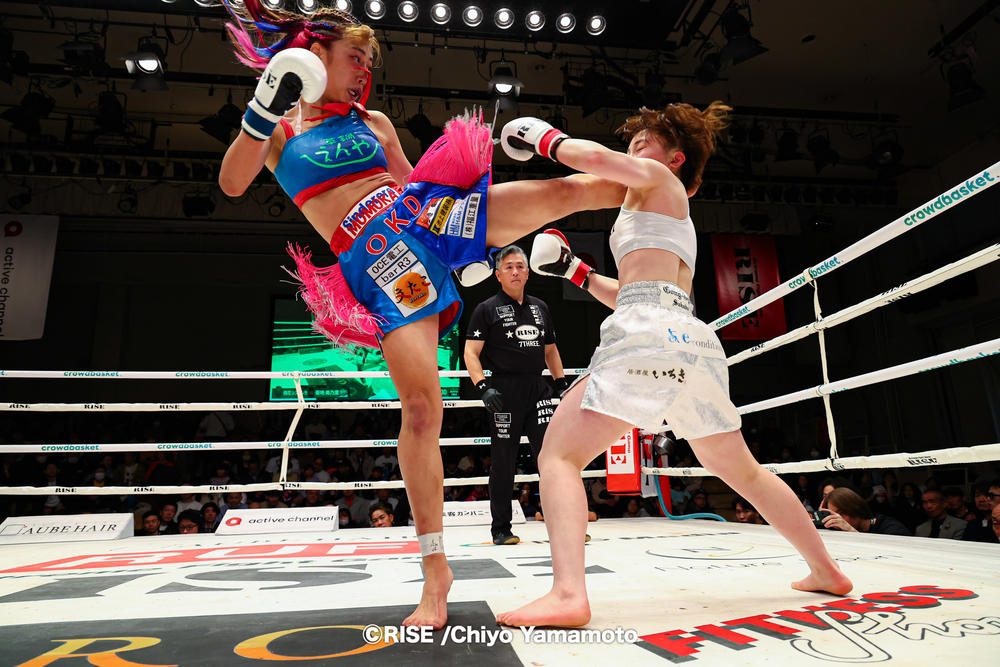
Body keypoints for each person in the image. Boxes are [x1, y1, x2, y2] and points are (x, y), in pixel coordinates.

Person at [217, 0, 623, 629]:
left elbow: (415, 183)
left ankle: (660, 184)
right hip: (376, 259)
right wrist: (265, 104)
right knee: (422, 411)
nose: (363, 71)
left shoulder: (373, 121)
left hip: (421, 216)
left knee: (564, 193)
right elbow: (231, 183)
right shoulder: (276, 130)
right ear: (314, 52)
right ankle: (437, 573)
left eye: (368, 62)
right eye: (355, 57)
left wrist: (464, 244)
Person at [494, 103, 851, 628]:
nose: (638, 143)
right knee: (743, 471)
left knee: (559, 456)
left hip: (648, 335)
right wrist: (575, 271)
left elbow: (597, 161)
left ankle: (569, 595)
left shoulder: (661, 180)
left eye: (650, 138)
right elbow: (637, 292)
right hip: (687, 335)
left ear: (677, 158)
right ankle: (826, 569)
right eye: (635, 138)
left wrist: (545, 138)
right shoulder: (663, 212)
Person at [464, 244, 569, 545]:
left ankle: (564, 525)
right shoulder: (486, 309)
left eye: (520, 266)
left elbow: (550, 350)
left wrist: (561, 383)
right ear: (498, 274)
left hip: (538, 389)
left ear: (528, 272)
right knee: (504, 460)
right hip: (503, 391)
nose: (515, 272)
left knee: (551, 457)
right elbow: (471, 352)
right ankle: (501, 529)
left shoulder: (540, 307)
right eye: (508, 267)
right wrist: (483, 387)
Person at [819, 487, 909, 536]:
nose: (837, 519)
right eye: (832, 514)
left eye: (841, 513)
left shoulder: (891, 528)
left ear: (854, 508)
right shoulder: (837, 529)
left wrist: (851, 531)